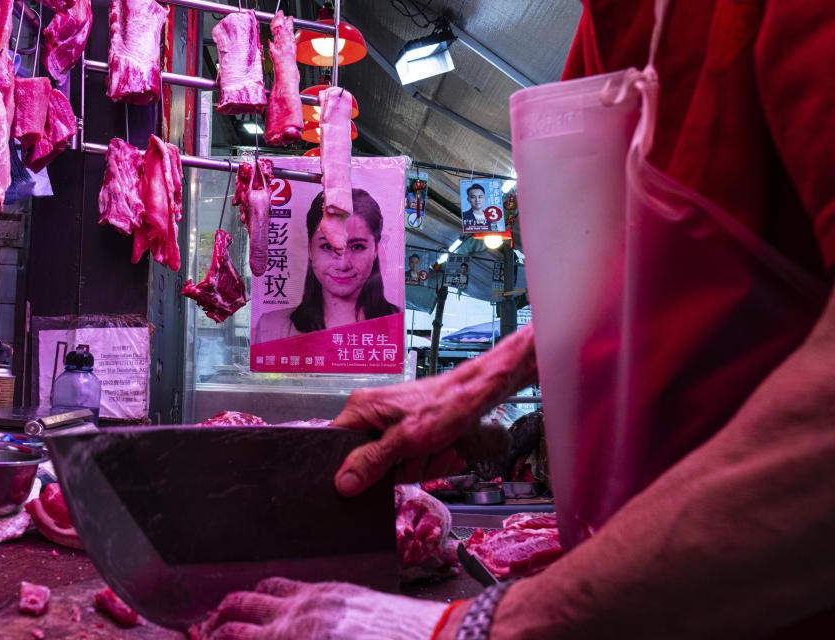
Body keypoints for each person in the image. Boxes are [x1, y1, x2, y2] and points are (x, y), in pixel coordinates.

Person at [196, 1, 835, 638]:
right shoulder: (611, 24)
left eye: (357, 246)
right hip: (636, 586)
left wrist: (487, 626)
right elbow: (627, 282)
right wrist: (479, 380)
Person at [255, 189, 401, 342]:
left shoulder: (396, 325)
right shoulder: (271, 328)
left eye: (357, 247)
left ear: (375, 250)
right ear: (310, 249)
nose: (343, 264)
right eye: (327, 246)